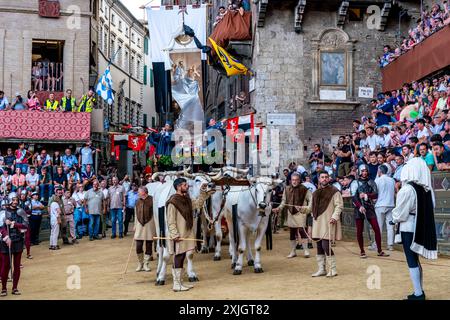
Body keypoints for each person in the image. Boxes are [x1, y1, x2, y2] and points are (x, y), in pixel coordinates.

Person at [392, 157, 438, 300]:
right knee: (415, 260)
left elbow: (399, 214)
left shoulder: (407, 190)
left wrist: (393, 219)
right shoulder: (427, 190)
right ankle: (419, 291)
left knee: (411, 260)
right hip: (420, 226)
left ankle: (418, 293)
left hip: (408, 227)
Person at [166, 178, 212, 292]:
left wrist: (204, 193)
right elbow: (170, 220)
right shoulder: (172, 201)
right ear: (178, 187)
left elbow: (197, 204)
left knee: (182, 257)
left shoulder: (186, 199)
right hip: (178, 234)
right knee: (179, 256)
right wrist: (174, 234)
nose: (187, 186)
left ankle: (180, 282)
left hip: (187, 233)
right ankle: (176, 284)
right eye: (184, 185)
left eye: (186, 184)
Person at [272, 172, 312, 258]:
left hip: (301, 212)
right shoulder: (286, 189)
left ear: (299, 180)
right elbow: (283, 202)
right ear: (290, 180)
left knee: (302, 231)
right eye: (293, 180)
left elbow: (311, 200)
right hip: (290, 213)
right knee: (292, 232)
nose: (294, 182)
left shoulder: (305, 189)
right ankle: (293, 251)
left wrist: (306, 209)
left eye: (296, 180)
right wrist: (278, 208)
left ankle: (306, 250)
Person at [310, 171, 343, 278]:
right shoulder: (315, 193)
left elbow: (339, 206)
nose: (324, 179)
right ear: (319, 179)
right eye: (322, 177)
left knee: (326, 245)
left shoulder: (335, 191)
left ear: (328, 178)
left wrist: (334, 217)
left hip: (328, 222)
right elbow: (310, 207)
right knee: (319, 246)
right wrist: (302, 209)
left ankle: (333, 269)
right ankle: (322, 269)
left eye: (326, 177)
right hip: (317, 222)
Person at [352, 164, 389, 258]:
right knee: (359, 231)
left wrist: (366, 195)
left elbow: (376, 194)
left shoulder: (371, 181)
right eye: (363, 171)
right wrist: (360, 206)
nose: (364, 173)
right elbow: (354, 197)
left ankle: (379, 250)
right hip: (358, 209)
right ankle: (362, 251)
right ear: (360, 172)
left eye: (365, 171)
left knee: (376, 228)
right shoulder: (354, 183)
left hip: (369, 207)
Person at [0, 193, 28, 296]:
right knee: (5, 266)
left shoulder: (21, 211)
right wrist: (6, 236)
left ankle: (15, 287)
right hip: (5, 242)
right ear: (10, 200)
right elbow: (0, 227)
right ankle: (3, 288)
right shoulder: (4, 212)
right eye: (13, 200)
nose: (15, 202)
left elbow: (25, 225)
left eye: (17, 200)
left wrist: (14, 224)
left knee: (17, 266)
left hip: (18, 240)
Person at [374, 164, 396, 251]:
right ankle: (390, 245)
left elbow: (375, 193)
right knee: (390, 226)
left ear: (380, 171)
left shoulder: (378, 180)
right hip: (390, 204)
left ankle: (377, 244)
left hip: (380, 205)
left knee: (378, 226)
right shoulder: (392, 180)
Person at [134, 186, 155, 272]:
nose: (138, 193)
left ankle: (146, 264)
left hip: (149, 224)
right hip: (139, 225)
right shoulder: (137, 201)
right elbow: (136, 213)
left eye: (139, 192)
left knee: (149, 245)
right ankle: (140, 263)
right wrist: (135, 224)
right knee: (138, 246)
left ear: (144, 192)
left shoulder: (152, 200)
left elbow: (155, 213)